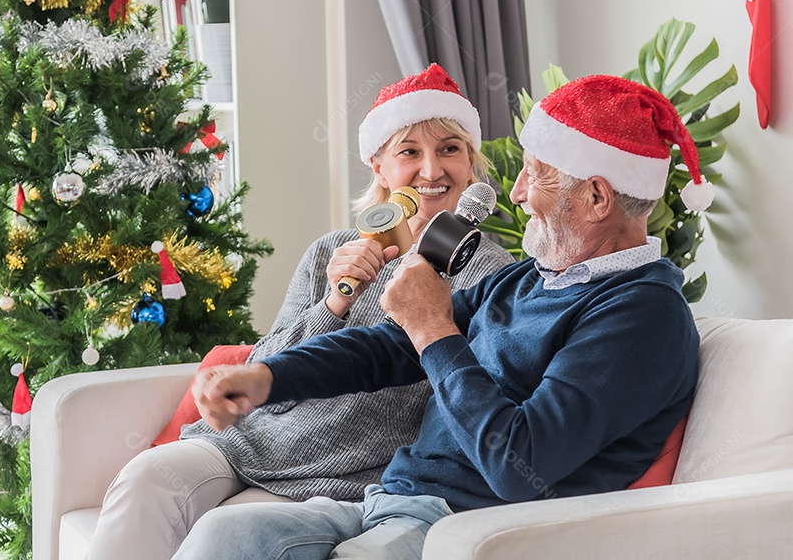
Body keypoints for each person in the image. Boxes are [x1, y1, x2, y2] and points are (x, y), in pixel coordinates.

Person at [175, 74, 706, 560]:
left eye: (535, 176)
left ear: (596, 197)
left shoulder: (643, 315)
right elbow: (386, 349)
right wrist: (267, 376)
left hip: (476, 530)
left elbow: (520, 463)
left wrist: (433, 326)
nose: (516, 194)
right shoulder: (527, 279)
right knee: (222, 535)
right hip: (391, 501)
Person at [86, 65, 514, 560]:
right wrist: (335, 302)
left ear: (470, 161)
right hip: (250, 441)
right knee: (147, 477)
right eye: (409, 153)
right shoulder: (331, 252)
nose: (432, 170)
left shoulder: (490, 271)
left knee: (230, 529)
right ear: (379, 167)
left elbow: (466, 394)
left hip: (354, 469)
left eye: (449, 150)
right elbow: (264, 365)